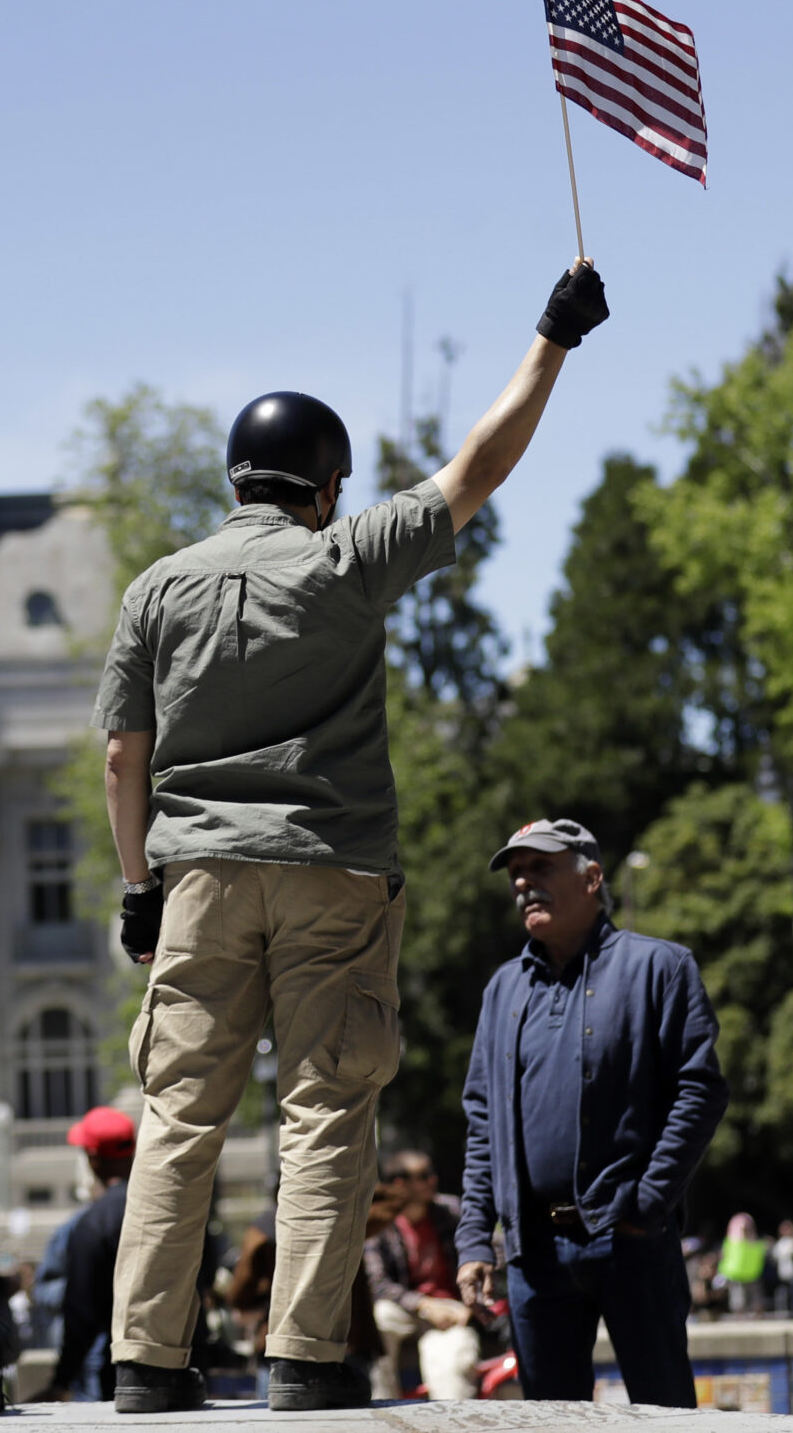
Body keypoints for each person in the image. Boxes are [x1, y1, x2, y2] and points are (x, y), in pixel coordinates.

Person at [94, 261, 611, 1414]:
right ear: (327, 488)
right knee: (324, 1111)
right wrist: (554, 337)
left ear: (235, 479)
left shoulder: (156, 590)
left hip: (197, 880)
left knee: (177, 1118)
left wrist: (140, 889)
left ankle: (143, 1364)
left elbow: (124, 757)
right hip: (331, 873)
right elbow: (476, 471)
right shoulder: (344, 558)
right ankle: (301, 1359)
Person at [454, 817, 727, 1409]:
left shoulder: (659, 967)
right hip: (533, 1253)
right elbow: (483, 1124)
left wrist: (647, 1205)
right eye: (516, 873)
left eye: (540, 867)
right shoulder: (503, 990)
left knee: (664, 1419)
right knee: (549, 1422)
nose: (523, 883)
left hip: (630, 1242)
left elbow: (699, 1091)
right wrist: (475, 1239)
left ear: (592, 878)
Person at [364, 1151, 479, 1400]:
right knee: (380, 1316)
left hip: (449, 1308)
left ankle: (451, 1418)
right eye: (424, 1176)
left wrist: (473, 1300)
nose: (432, 1180)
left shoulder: (450, 1211)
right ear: (400, 1184)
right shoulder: (380, 1220)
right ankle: (381, 1407)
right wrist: (424, 1305)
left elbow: (487, 1250)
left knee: (454, 1358)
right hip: (404, 1307)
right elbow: (377, 1284)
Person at [45, 1107, 142, 1403]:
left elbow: (80, 1315)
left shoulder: (93, 1224)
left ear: (93, 1159)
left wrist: (61, 1379)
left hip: (123, 1379)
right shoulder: (170, 1209)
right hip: (187, 1366)